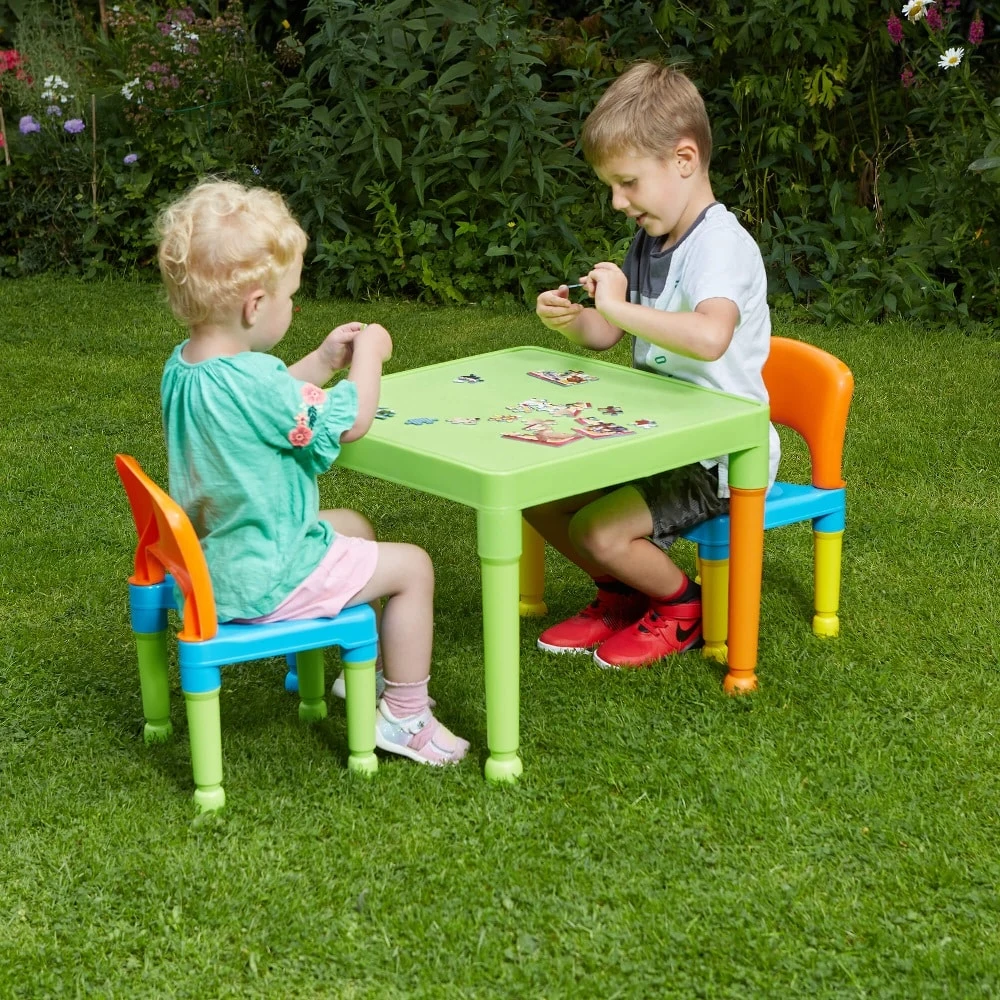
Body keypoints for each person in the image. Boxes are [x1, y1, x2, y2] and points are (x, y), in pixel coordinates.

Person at [156, 180, 468, 764]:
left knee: (353, 522)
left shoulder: (187, 367)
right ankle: (405, 716)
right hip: (266, 572)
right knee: (415, 568)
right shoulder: (258, 383)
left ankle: (360, 672)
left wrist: (324, 359)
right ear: (254, 306)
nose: (292, 306)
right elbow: (348, 422)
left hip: (216, 556)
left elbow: (271, 397)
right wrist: (369, 357)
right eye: (289, 296)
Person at [527, 61, 780, 670]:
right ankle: (621, 593)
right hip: (657, 436)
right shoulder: (653, 238)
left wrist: (616, 303)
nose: (618, 202)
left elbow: (710, 337)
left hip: (718, 453)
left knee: (597, 531)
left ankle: (679, 606)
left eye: (628, 183)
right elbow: (611, 331)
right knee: (535, 497)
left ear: (684, 160)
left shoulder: (719, 244)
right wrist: (579, 318)